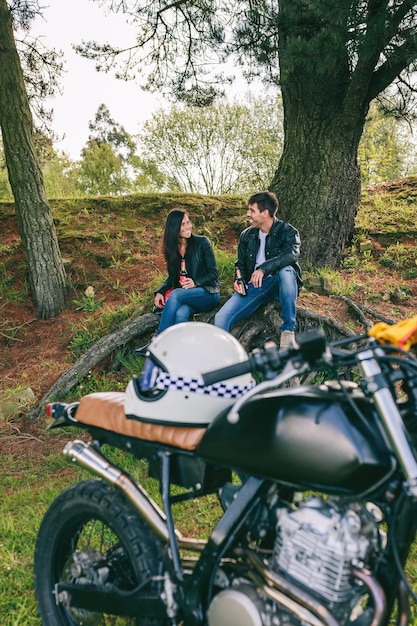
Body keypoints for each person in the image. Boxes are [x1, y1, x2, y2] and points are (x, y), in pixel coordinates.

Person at [214, 191, 302, 349]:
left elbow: (291, 255)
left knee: (287, 271)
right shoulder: (246, 235)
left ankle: (288, 331)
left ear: (265, 213)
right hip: (254, 287)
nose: (248, 214)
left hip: (278, 284)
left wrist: (264, 269)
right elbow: (240, 263)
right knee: (221, 318)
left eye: (252, 210)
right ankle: (222, 357)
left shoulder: (288, 231)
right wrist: (239, 279)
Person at [153, 208, 220, 334]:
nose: (188, 226)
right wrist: (160, 291)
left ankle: (158, 339)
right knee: (180, 314)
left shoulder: (202, 242)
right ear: (174, 228)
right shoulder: (172, 250)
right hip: (189, 297)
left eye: (188, 222)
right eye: (183, 224)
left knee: (176, 294)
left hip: (208, 293)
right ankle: (179, 347)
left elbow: (214, 273)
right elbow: (172, 277)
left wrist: (195, 282)